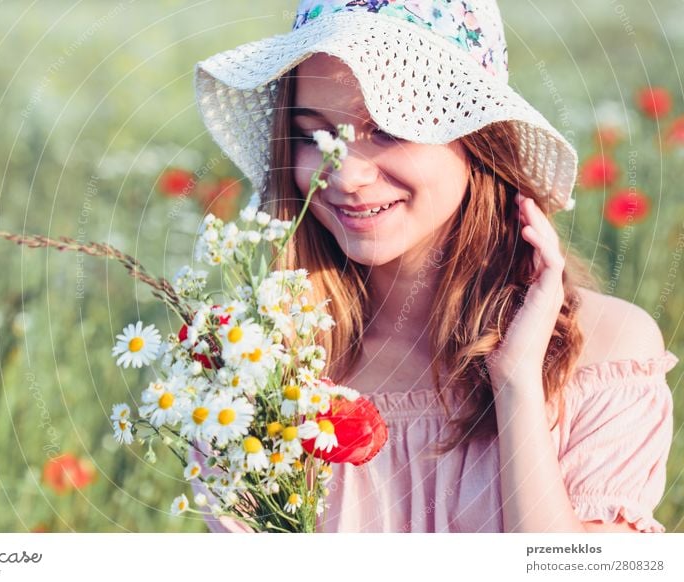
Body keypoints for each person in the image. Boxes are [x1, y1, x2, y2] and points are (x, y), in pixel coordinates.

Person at [189, 0, 678, 533]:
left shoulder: (603, 352)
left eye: (388, 130)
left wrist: (516, 386)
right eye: (313, 136)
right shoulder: (261, 375)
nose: (346, 174)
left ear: (478, 141)